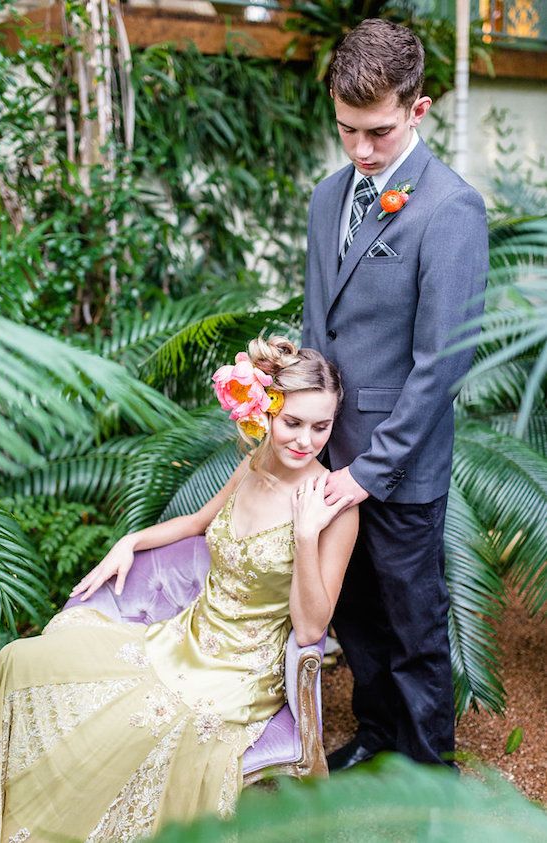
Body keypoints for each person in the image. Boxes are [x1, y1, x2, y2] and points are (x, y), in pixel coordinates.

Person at [0, 336, 358, 842]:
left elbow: (312, 626)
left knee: (133, 727)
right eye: (292, 423)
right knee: (26, 661)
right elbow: (198, 522)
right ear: (265, 413)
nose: (305, 441)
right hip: (185, 636)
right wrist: (129, 541)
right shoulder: (254, 465)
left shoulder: (336, 505)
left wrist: (306, 534)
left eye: (322, 426)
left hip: (242, 671)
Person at [303, 19, 489, 769]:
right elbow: (325, 318)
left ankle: (426, 774)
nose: (361, 150)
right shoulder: (325, 199)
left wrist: (367, 473)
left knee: (413, 627)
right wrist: (288, 381)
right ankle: (378, 735)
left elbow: (442, 363)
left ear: (419, 108)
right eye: (347, 129)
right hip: (324, 457)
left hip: (400, 469)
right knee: (359, 619)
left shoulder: (450, 208)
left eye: (377, 131)